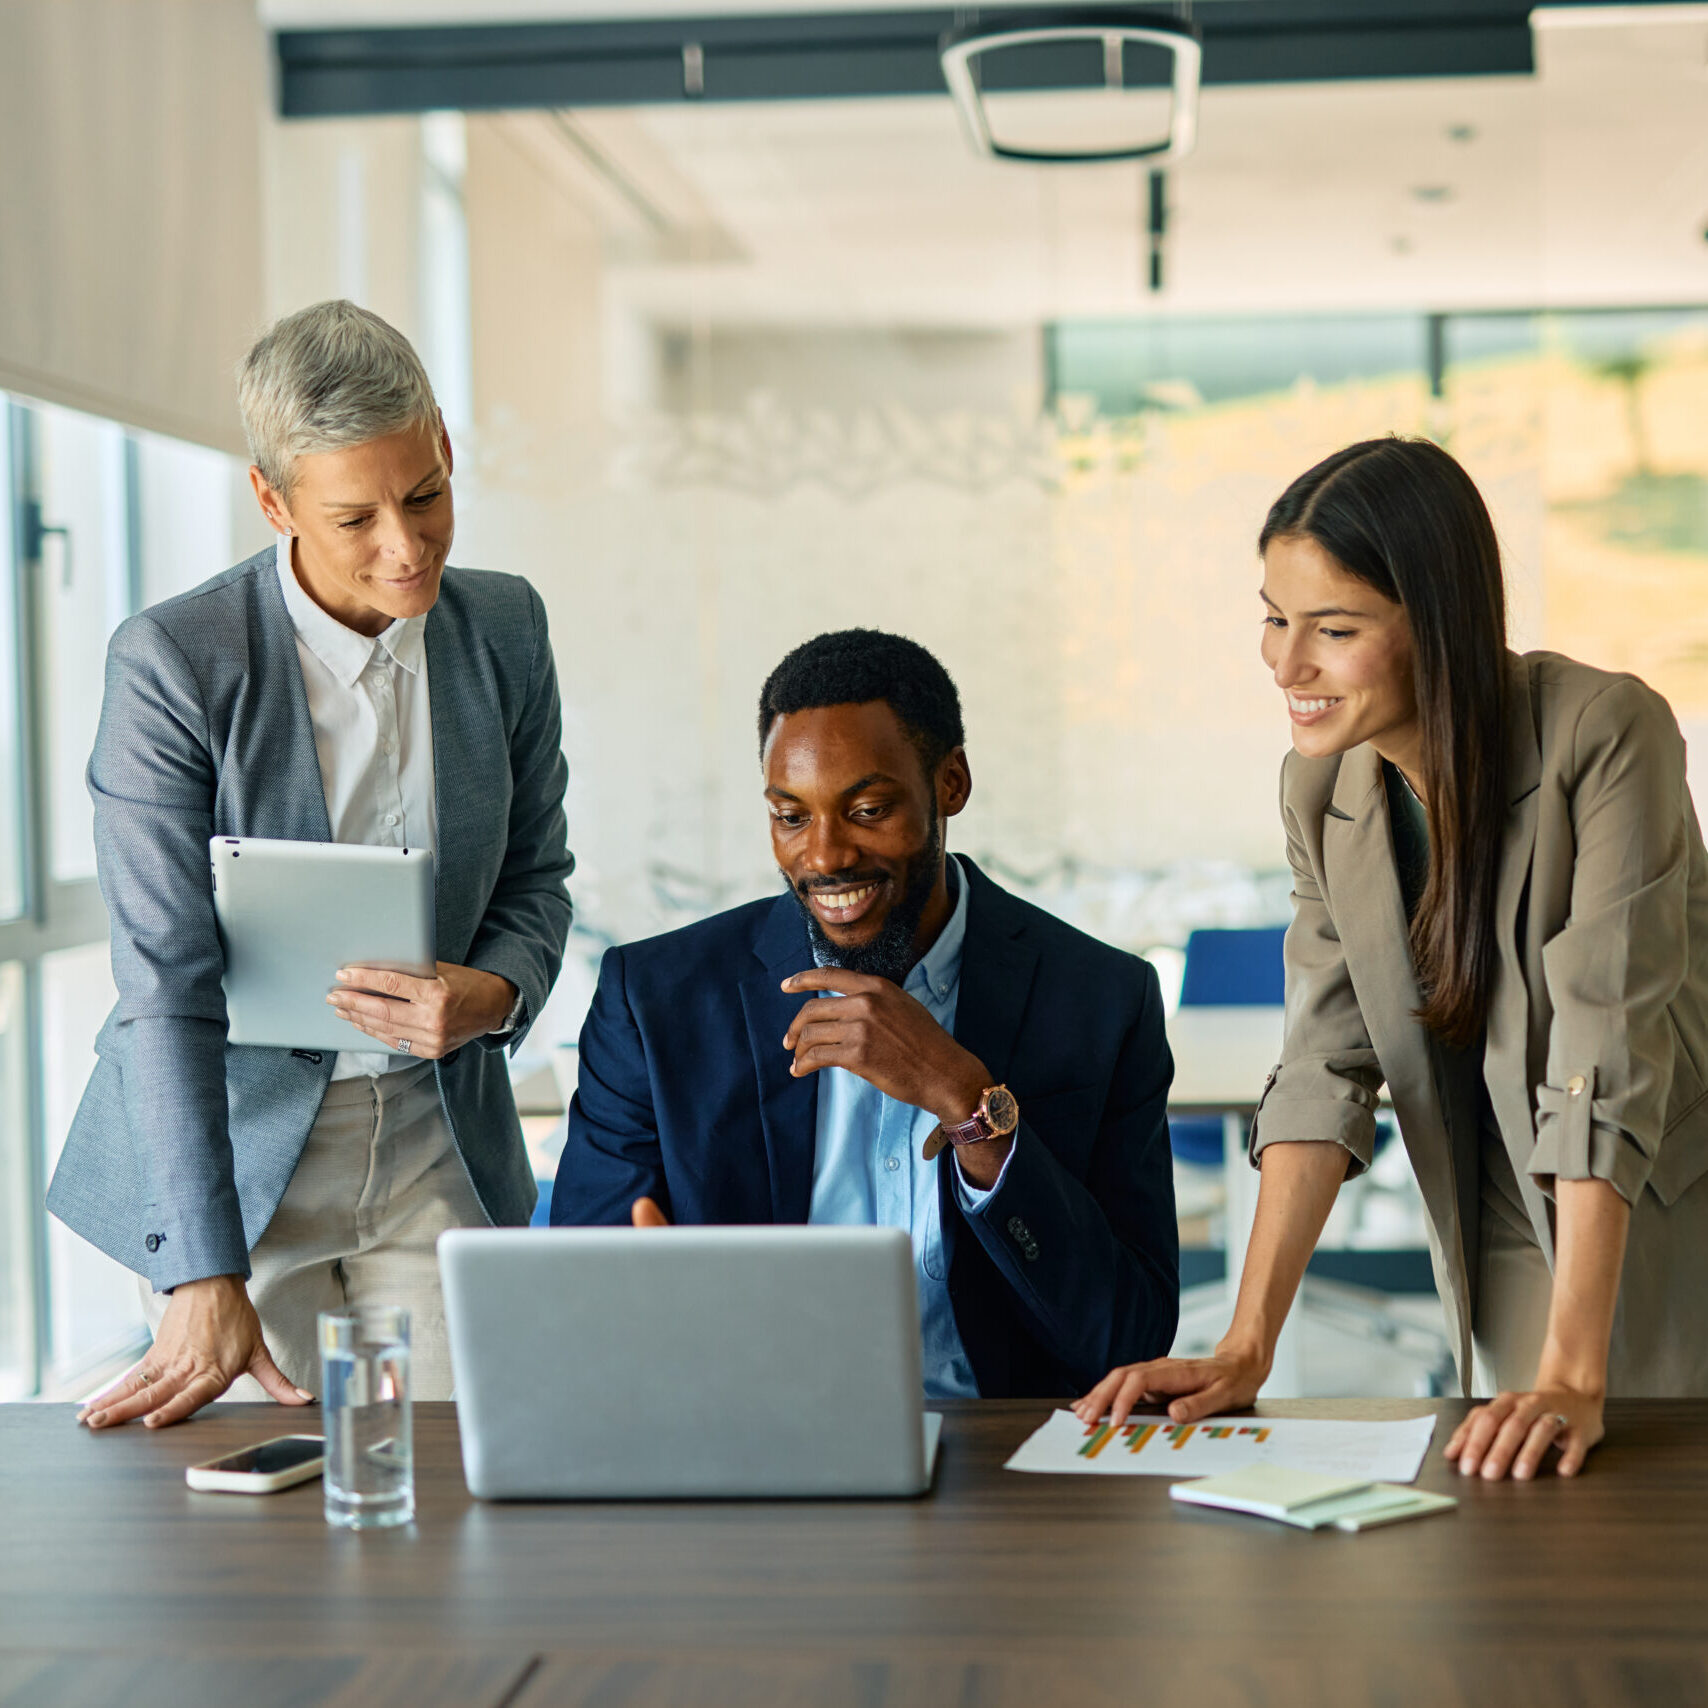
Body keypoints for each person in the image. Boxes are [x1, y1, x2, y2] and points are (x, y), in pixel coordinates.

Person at [1079, 435, 1708, 1479]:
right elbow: (1324, 1063)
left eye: (1332, 628)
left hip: (1655, 1209)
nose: (1286, 664)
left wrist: (1571, 1367)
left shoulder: (1603, 733)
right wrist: (1246, 1346)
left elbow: (1607, 1042)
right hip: (1496, 1214)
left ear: (1439, 627)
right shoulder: (1320, 790)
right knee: (1529, 1538)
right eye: (1274, 620)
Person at [49, 300, 574, 1425]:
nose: (408, 544)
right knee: (261, 1532)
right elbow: (164, 984)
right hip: (238, 1156)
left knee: (455, 1490)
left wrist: (497, 991)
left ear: (441, 438)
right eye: (355, 518)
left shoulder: (507, 630)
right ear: (273, 501)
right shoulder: (177, 664)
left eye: (425, 494)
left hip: (440, 1147)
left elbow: (538, 875)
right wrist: (201, 1265)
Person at [551, 629, 1177, 1397]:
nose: (824, 856)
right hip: (750, 1436)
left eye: (868, 809)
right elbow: (584, 1307)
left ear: (950, 785)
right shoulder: (656, 1000)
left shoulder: (1099, 999)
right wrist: (659, 1308)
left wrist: (970, 1107)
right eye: (790, 816)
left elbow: (1130, 1333)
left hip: (1001, 1453)